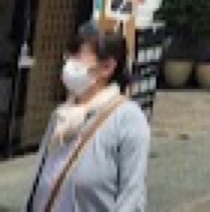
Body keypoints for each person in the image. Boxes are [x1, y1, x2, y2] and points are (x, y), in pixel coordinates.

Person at [27, 23, 150, 212]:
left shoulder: (128, 118)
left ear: (107, 67)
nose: (69, 64)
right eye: (69, 56)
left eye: (77, 57)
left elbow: (132, 195)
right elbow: (40, 185)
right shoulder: (62, 115)